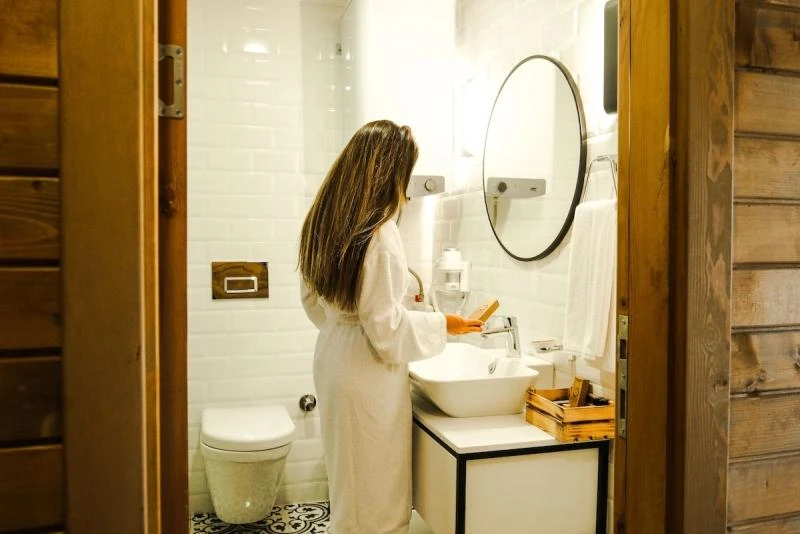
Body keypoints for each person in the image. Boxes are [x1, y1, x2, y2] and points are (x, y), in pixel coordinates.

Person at [298, 119, 482, 533]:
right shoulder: (380, 233)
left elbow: (312, 302)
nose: (406, 188)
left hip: (333, 357)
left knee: (349, 485)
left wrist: (343, 327)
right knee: (375, 496)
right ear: (389, 172)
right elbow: (385, 330)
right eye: (405, 173)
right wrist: (442, 324)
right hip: (366, 373)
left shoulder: (321, 223)